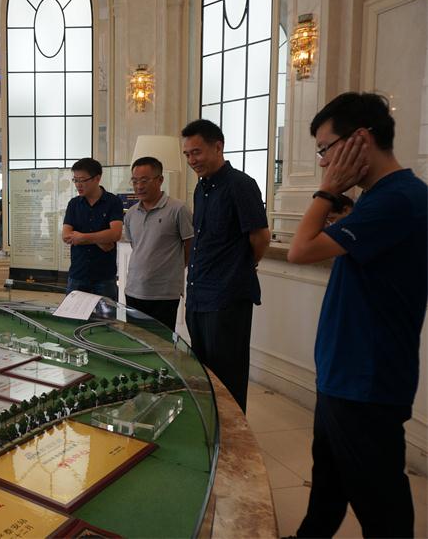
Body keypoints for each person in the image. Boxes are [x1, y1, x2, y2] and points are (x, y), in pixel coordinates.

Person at [287, 93, 426, 538]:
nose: (324, 162)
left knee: (381, 503)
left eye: (325, 149)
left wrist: (327, 191)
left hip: (366, 377)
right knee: (329, 481)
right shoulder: (376, 197)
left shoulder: (398, 199)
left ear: (360, 139)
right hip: (344, 371)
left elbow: (299, 250)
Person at [182, 119, 271, 413]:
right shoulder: (201, 189)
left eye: (197, 152)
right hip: (199, 296)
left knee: (228, 377)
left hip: (227, 297)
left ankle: (233, 435)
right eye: (187, 154)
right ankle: (212, 429)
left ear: (218, 147)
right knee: (204, 373)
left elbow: (260, 237)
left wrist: (245, 265)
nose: (192, 160)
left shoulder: (240, 185)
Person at [123, 157, 194, 331]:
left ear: (160, 180)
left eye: (144, 180)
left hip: (164, 294)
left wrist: (172, 270)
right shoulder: (131, 213)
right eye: (135, 181)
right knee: (135, 338)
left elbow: (190, 247)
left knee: (162, 342)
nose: (139, 186)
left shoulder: (178, 209)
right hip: (134, 289)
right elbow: (137, 247)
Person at [62, 158, 124, 299]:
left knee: (106, 313)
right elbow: (66, 235)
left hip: (104, 276)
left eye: (82, 180)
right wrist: (101, 239)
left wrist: (82, 237)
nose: (78, 185)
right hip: (78, 274)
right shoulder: (74, 204)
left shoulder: (113, 202)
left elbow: (115, 234)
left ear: (97, 178)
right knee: (73, 313)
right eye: (75, 180)